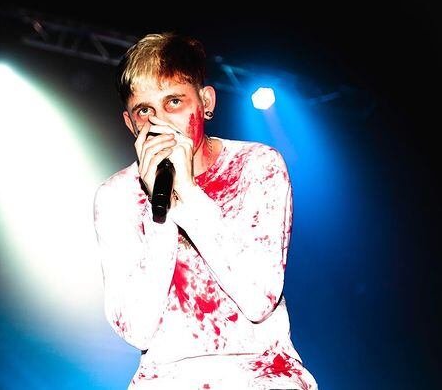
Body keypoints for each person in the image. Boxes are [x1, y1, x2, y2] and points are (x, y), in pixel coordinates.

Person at [92, 32, 318, 389]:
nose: (160, 123)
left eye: (174, 102)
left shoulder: (256, 166)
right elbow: (136, 329)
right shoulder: (116, 196)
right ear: (130, 123)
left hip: (262, 375)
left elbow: (260, 299)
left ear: (206, 102)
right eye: (145, 110)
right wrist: (161, 208)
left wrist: (189, 194)